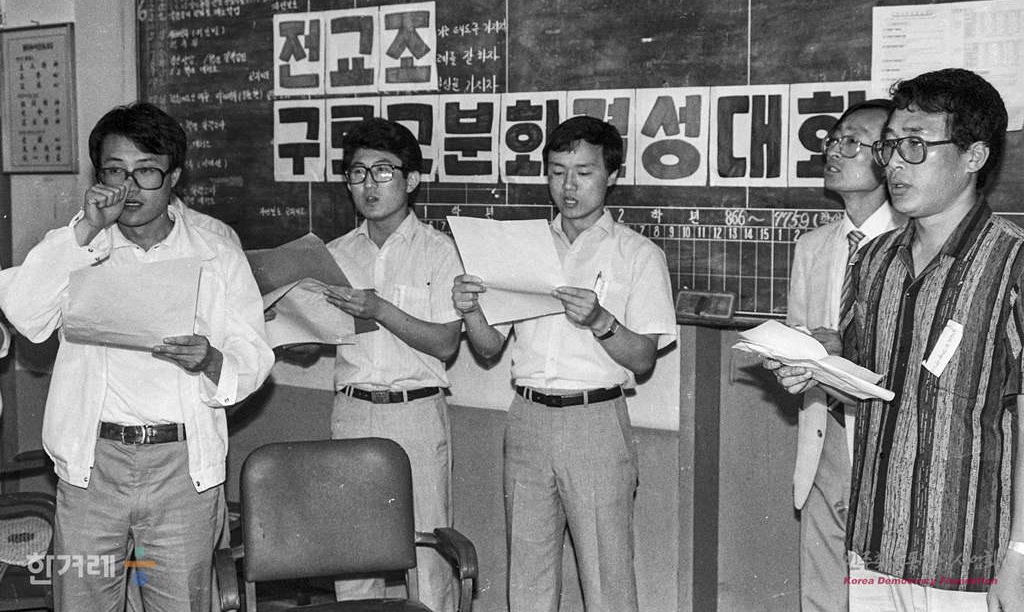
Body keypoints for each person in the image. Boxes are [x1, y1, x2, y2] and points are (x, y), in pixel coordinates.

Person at [767, 68, 1024, 612]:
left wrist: (1020, 556)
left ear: (974, 156)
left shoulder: (1012, 263)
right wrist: (817, 369)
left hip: (968, 559)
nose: (896, 164)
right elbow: (867, 385)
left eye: (916, 145)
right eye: (889, 146)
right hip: (873, 548)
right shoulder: (874, 260)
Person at [2, 102, 274, 611]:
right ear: (98, 176)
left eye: (146, 172)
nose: (129, 187)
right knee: (82, 600)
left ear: (174, 177)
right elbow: (23, 312)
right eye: (115, 171)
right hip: (93, 465)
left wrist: (210, 360)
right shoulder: (77, 246)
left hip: (180, 466)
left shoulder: (216, 254)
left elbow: (254, 356)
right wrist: (83, 231)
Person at [451, 115, 677, 612]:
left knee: (606, 575)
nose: (568, 186)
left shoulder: (637, 254)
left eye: (583, 172)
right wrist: (470, 310)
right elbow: (488, 348)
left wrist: (600, 321)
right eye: (557, 172)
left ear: (611, 175)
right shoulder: (521, 246)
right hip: (527, 417)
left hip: (596, 419)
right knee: (527, 573)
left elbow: (643, 358)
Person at [286, 117, 462, 611]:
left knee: (427, 555)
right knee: (353, 554)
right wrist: (283, 325)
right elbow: (311, 345)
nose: (369, 185)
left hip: (415, 413)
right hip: (352, 411)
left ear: (413, 179)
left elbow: (446, 343)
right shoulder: (333, 255)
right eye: (358, 173)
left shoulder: (440, 252)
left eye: (383, 171)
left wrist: (379, 309)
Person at [784, 99, 903, 611]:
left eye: (852, 141)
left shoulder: (913, 242)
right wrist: (788, 357)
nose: (835, 150)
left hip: (889, 438)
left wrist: (843, 351)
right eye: (833, 140)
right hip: (825, 431)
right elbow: (799, 336)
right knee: (823, 589)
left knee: (879, 590)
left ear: (889, 154)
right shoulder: (813, 246)